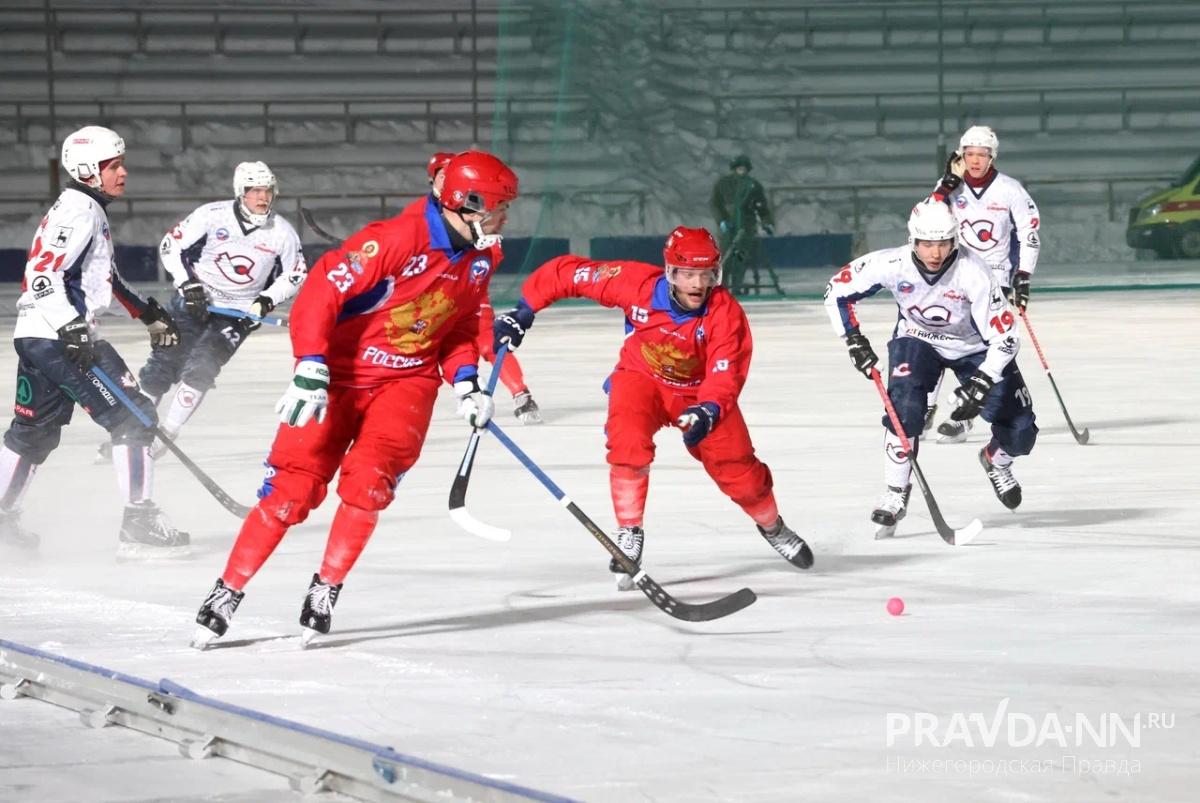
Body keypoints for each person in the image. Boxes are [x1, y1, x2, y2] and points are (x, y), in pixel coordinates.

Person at [191, 150, 519, 648]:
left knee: (368, 487)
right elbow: (319, 293)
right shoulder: (395, 240)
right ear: (465, 204)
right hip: (337, 378)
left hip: (406, 384)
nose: (504, 218)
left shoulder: (480, 258)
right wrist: (309, 365)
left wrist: (467, 381)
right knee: (291, 492)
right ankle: (228, 589)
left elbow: (455, 327)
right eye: (497, 208)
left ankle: (326, 587)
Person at [493, 226, 813, 590]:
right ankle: (629, 533)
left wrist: (708, 409)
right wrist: (523, 310)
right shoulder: (634, 284)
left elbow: (727, 369)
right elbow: (569, 274)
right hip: (641, 378)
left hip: (699, 395)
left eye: (705, 274)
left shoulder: (725, 313)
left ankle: (773, 526)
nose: (697, 284)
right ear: (670, 273)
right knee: (626, 442)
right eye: (687, 274)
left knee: (739, 470)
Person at [0, 126, 187, 557]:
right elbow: (45, 278)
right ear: (88, 170)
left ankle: (3, 522)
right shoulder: (81, 212)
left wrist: (147, 313)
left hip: (36, 335)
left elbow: (102, 278)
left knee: (34, 433)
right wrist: (73, 328)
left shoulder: (84, 207)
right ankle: (138, 526)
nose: (123, 173)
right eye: (113, 166)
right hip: (60, 337)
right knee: (135, 417)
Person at [823, 200, 1038, 538]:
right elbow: (837, 290)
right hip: (917, 339)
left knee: (1022, 432)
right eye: (926, 243)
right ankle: (895, 492)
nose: (935, 253)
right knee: (904, 411)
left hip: (974, 347)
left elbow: (1006, 338)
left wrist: (982, 382)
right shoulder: (891, 263)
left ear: (955, 241)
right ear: (913, 241)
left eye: (943, 243)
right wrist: (853, 339)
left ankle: (996, 459)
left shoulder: (974, 272)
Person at [134, 162, 307, 452]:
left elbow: (296, 273)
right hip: (194, 301)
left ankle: (169, 432)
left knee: (202, 368)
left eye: (268, 191)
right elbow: (169, 246)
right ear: (241, 193)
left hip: (238, 315)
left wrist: (266, 300)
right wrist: (188, 285)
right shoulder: (211, 215)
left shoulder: (282, 232)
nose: (263, 197)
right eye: (256, 191)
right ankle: (133, 431)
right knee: (162, 367)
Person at [925, 125, 1041, 443]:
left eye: (982, 155)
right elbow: (924, 219)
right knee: (936, 335)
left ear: (992, 157)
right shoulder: (950, 186)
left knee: (982, 348)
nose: (975, 161)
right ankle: (926, 405)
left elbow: (1028, 235)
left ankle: (966, 414)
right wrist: (946, 186)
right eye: (969, 154)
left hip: (994, 279)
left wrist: (1024, 276)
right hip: (954, 275)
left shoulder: (1010, 190)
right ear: (960, 157)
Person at [419, 151, 543, 424]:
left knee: (488, 341)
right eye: (438, 176)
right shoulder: (425, 214)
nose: (442, 181)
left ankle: (520, 394)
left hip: (469, 293)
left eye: (446, 174)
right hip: (433, 299)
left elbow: (491, 252)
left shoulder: (475, 211)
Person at [709, 154, 777, 296]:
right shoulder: (723, 184)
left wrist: (767, 223)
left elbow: (761, 207)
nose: (742, 171)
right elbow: (715, 204)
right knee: (725, 259)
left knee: (740, 259)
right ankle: (722, 288)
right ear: (734, 169)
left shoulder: (753, 186)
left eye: (744, 168)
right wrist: (721, 220)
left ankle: (737, 287)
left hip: (746, 228)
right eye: (739, 168)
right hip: (729, 228)